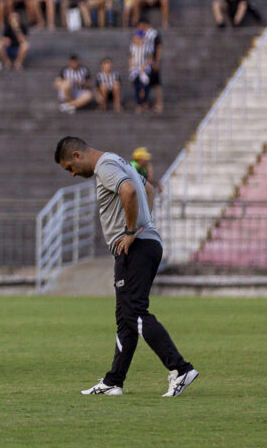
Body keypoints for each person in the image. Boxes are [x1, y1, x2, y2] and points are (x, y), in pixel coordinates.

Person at [54, 136, 199, 397]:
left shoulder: (104, 167)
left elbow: (130, 192)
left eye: (70, 168)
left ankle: (180, 368)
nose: (73, 174)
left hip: (135, 246)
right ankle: (114, 381)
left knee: (134, 312)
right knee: (125, 318)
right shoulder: (119, 161)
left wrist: (132, 230)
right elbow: (149, 190)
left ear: (76, 155)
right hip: (146, 243)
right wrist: (145, 224)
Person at [137, 18, 164, 113]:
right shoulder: (142, 34)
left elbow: (158, 47)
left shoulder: (154, 33)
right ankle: (144, 103)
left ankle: (159, 103)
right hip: (144, 63)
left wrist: (157, 61)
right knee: (144, 83)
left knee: (156, 83)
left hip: (152, 62)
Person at [128, 30, 154, 112]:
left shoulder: (147, 46)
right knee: (137, 86)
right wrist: (131, 65)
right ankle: (139, 103)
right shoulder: (132, 46)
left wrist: (144, 66)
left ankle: (145, 101)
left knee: (145, 85)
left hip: (145, 69)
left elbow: (150, 58)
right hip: (135, 69)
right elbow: (131, 57)